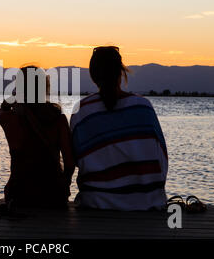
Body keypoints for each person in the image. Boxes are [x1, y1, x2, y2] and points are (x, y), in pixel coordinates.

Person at [70, 46, 168, 211]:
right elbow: (162, 159)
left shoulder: (81, 110)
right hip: (147, 204)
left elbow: (77, 160)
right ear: (121, 72)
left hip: (97, 203)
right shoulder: (143, 107)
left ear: (93, 76)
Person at [0, 66, 75, 207]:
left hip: (19, 195)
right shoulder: (59, 120)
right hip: (53, 196)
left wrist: (12, 100)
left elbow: (2, 110)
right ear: (45, 88)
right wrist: (65, 184)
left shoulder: (9, 118)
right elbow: (69, 163)